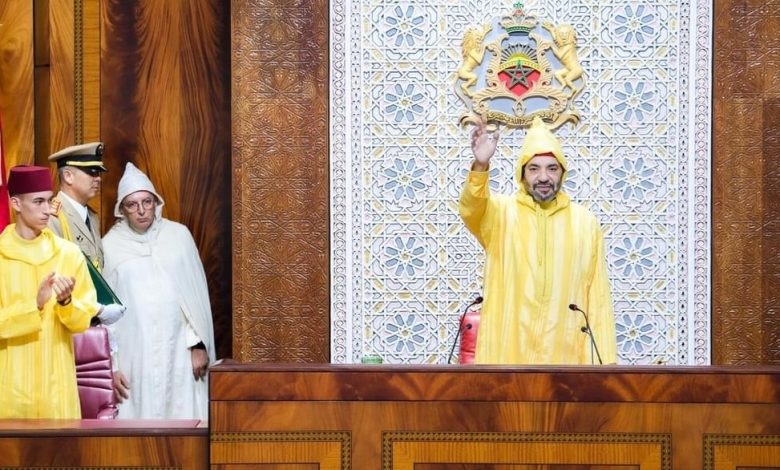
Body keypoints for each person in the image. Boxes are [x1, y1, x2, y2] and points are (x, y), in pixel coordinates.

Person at [459, 116, 617, 364]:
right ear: (522, 175)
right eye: (534, 168)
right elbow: (471, 209)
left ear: (563, 173)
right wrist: (481, 165)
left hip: (565, 357)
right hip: (508, 354)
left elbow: (598, 298)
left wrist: (604, 364)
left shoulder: (584, 222)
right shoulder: (500, 214)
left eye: (552, 168)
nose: (543, 177)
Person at [103, 162, 215, 419]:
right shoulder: (109, 245)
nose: (142, 211)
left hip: (179, 349)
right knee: (139, 412)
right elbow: (106, 312)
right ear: (122, 209)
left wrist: (199, 345)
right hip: (134, 352)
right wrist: (112, 365)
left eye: (147, 202)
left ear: (156, 202)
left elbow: (195, 298)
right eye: (132, 205)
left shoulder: (179, 236)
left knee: (181, 409)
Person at [0, 165, 97, 418]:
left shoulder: (68, 254)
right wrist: (35, 305)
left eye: (49, 200)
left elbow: (83, 320)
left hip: (57, 394)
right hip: (9, 395)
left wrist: (66, 302)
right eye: (38, 202)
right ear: (16, 204)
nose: (48, 210)